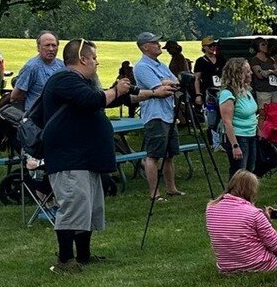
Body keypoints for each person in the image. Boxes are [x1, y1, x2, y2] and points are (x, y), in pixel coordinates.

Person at [32, 39, 131, 273]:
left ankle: (84, 256)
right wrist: (115, 90)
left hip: (85, 158)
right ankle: (65, 260)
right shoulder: (64, 79)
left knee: (87, 208)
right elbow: (91, 101)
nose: (96, 62)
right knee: (73, 206)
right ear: (83, 59)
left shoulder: (77, 82)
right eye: (94, 58)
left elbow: (93, 102)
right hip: (69, 158)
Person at [133, 32, 184, 201]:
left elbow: (175, 82)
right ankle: (154, 193)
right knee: (154, 155)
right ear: (145, 46)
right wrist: (165, 83)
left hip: (169, 113)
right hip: (155, 115)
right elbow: (158, 88)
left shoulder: (160, 65)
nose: (159, 44)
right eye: (154, 42)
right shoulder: (142, 67)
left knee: (169, 155)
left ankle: (171, 188)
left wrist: (167, 82)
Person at [216, 57, 259, 173]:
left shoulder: (246, 91)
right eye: (247, 71)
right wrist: (235, 145)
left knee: (249, 171)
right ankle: (233, 192)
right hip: (239, 137)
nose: (251, 73)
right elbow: (227, 122)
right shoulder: (227, 94)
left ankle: (246, 191)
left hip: (251, 135)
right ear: (238, 74)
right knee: (239, 173)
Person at [11, 30, 64, 114]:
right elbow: (15, 97)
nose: (51, 49)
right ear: (38, 47)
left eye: (54, 45)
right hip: (36, 116)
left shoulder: (62, 65)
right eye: (47, 45)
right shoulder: (32, 67)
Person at [250, 37, 277, 105]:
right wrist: (271, 71)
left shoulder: (270, 59)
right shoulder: (255, 60)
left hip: (274, 89)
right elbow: (260, 75)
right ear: (257, 46)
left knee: (276, 110)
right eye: (263, 44)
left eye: (266, 44)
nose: (266, 46)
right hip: (263, 90)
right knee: (264, 111)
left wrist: (268, 72)